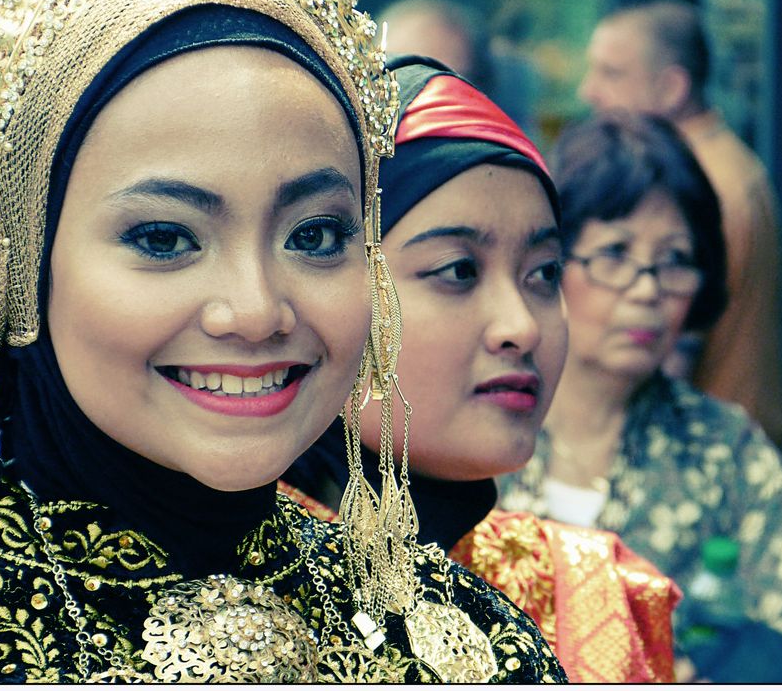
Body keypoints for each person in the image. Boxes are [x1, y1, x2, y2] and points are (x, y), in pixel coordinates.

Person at [0, 0, 565, 684]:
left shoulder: (471, 642)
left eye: (314, 234)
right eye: (165, 237)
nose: (255, 309)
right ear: (15, 264)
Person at [285, 56, 681, 682]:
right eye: (459, 270)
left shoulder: (590, 592)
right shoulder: (184, 594)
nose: (521, 326)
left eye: (544, 274)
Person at [497, 112, 782, 677]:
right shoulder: (475, 429)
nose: (648, 290)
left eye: (675, 262)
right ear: (551, 264)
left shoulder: (725, 449)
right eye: (615, 253)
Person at [578, 0, 782, 452]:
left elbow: (675, 352)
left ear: (672, 88)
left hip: (704, 452)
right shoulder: (728, 162)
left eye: (611, 74)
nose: (588, 92)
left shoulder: (699, 183)